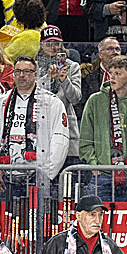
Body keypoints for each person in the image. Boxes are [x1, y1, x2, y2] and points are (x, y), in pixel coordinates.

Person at [0, 55, 69, 202]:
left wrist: (47, 173)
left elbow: (60, 139)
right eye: (18, 71)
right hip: (6, 177)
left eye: (27, 71)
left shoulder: (52, 102)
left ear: (35, 74)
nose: (21, 75)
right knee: (7, 216)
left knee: (39, 216)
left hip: (39, 176)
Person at [79, 55, 127, 202]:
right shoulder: (95, 100)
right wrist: (94, 165)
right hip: (102, 175)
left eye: (118, 73)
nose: (112, 77)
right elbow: (85, 138)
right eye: (110, 73)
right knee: (99, 215)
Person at [39, 26, 82, 165]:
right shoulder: (34, 66)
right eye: (48, 44)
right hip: (41, 127)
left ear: (62, 44)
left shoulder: (72, 66)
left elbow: (76, 98)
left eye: (56, 43)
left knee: (69, 172)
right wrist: (48, 79)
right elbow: (32, 95)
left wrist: (64, 80)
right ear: (41, 45)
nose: (53, 48)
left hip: (66, 126)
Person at [79, 36, 121, 119]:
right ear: (100, 55)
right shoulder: (88, 78)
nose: (115, 52)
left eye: (117, 49)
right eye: (110, 49)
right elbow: (82, 106)